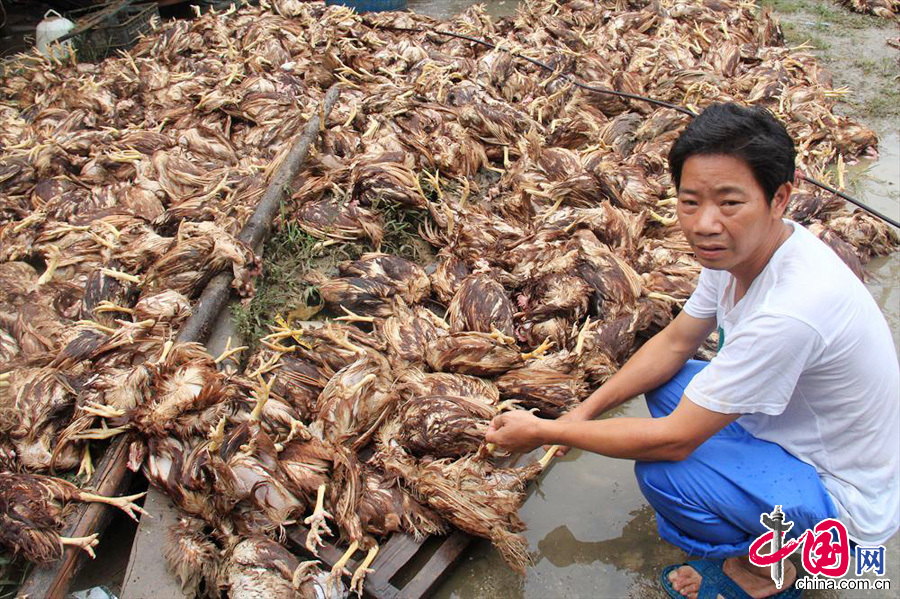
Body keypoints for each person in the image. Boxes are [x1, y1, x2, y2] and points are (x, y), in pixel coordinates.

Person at [485, 102, 900, 599]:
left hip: (841, 502)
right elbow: (677, 340)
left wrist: (545, 431)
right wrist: (583, 412)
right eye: (689, 201)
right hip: (801, 437)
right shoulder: (745, 252)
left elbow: (675, 441)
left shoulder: (791, 311)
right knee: (668, 385)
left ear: (779, 197)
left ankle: (775, 568)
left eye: (730, 202)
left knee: (665, 471)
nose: (704, 224)